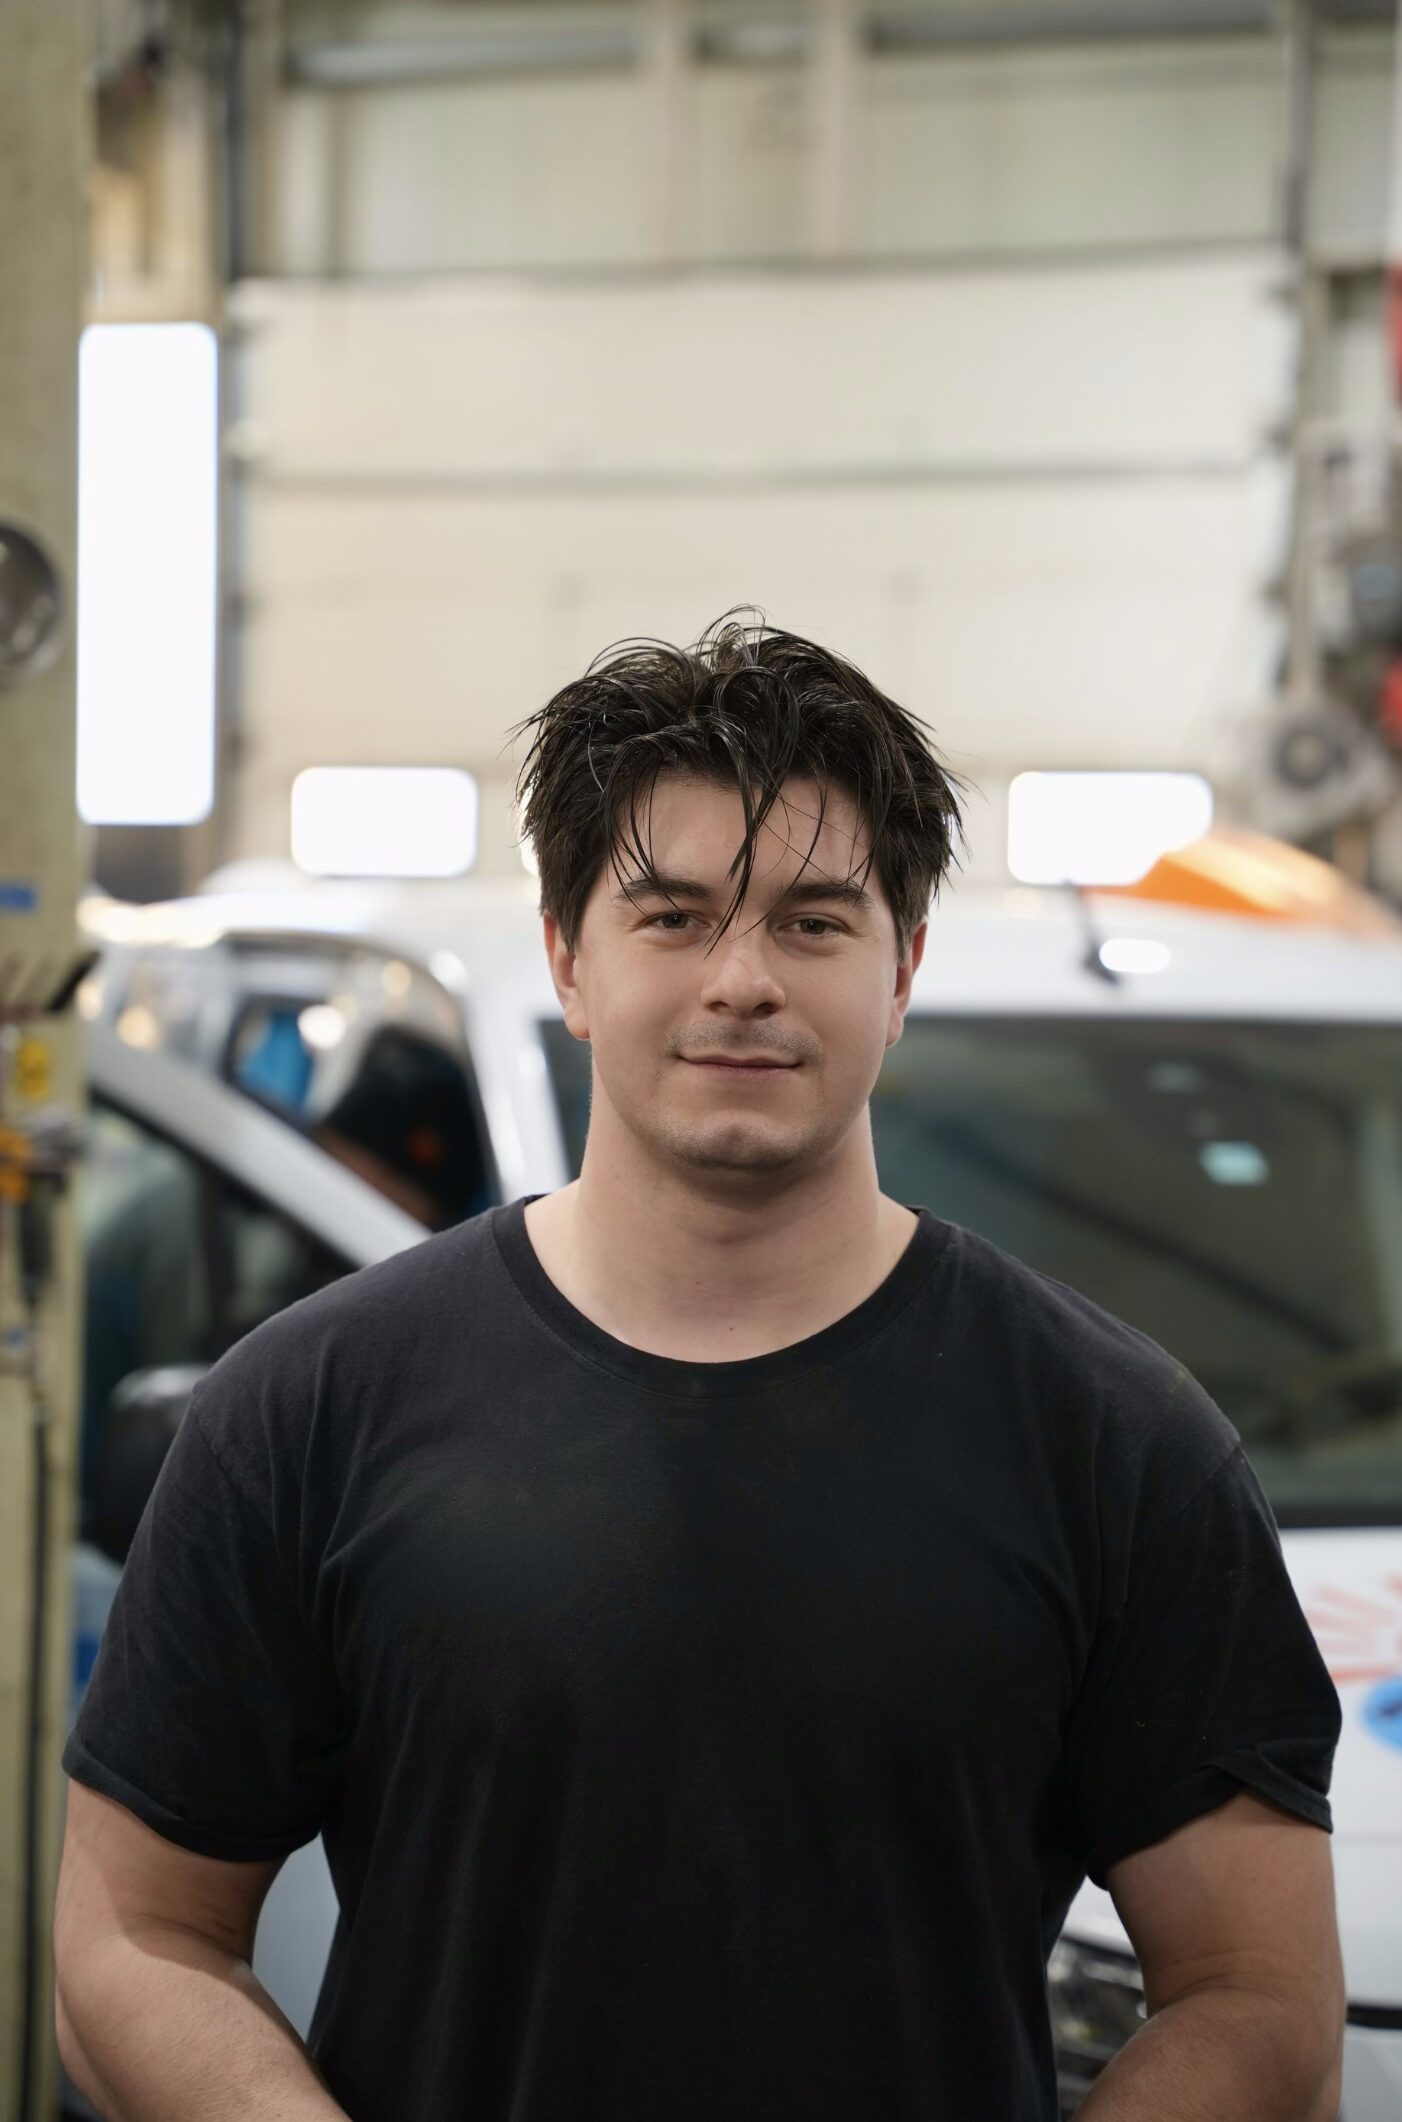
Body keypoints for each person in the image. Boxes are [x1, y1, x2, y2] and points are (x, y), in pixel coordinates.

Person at [54, 614, 1344, 2122]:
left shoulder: (1115, 1441)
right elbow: (135, 1932)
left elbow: (1257, 1992)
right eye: (670, 917)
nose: (742, 979)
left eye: (813, 922)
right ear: (569, 958)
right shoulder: (311, 1410)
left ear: (902, 967)